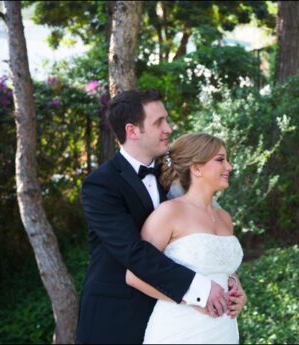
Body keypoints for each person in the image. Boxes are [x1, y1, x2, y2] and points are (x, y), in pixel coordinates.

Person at [78, 89, 244, 344]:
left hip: (181, 317)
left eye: (166, 119)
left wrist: (230, 283)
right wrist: (200, 290)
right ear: (132, 131)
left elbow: (199, 245)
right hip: (117, 317)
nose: (168, 128)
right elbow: (133, 252)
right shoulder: (101, 185)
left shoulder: (175, 177)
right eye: (159, 122)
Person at [127, 133, 245, 343]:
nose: (229, 166)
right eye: (220, 160)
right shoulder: (169, 213)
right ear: (197, 168)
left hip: (224, 331)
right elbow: (135, 275)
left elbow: (221, 267)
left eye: (227, 159)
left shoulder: (225, 218)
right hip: (180, 329)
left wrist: (237, 288)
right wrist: (193, 299)